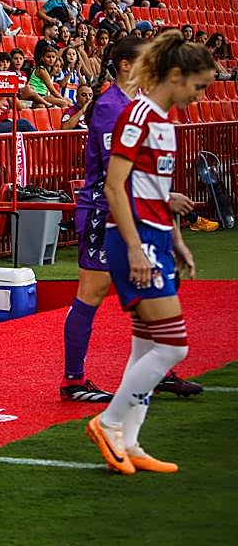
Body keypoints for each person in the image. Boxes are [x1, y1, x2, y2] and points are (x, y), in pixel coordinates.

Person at [86, 30, 216, 474]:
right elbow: (114, 186)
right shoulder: (137, 116)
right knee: (175, 346)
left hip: (156, 237)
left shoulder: (163, 121)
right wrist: (137, 247)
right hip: (135, 241)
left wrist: (176, 238)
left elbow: (152, 189)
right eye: (197, 87)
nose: (199, 97)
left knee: (147, 347)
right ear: (175, 75)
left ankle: (132, 441)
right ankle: (109, 422)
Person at [63, 36, 200, 403]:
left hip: (135, 208)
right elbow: (115, 173)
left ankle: (157, 368)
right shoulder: (111, 106)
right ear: (125, 65)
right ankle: (73, 380)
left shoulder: (139, 106)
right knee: (92, 291)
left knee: (149, 286)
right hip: (102, 210)